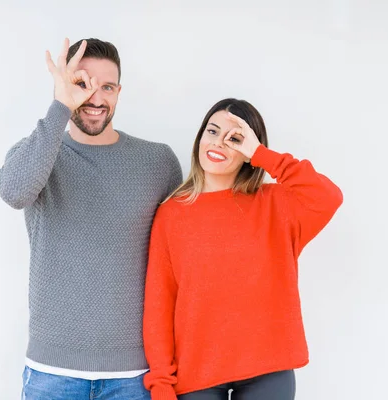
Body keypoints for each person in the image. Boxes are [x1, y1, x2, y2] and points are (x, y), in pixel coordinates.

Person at [0, 37, 182, 400]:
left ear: (119, 91)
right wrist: (60, 107)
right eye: (82, 84)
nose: (96, 98)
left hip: (135, 375)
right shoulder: (39, 152)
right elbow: (13, 192)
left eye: (107, 87)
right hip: (52, 374)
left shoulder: (158, 163)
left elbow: (180, 262)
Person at [142, 98, 343, 399]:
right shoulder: (172, 214)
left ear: (248, 150)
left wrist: (262, 155)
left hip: (268, 366)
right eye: (212, 131)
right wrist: (160, 384)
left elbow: (328, 197)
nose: (218, 143)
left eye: (234, 138)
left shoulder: (276, 204)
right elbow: (159, 305)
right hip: (196, 371)